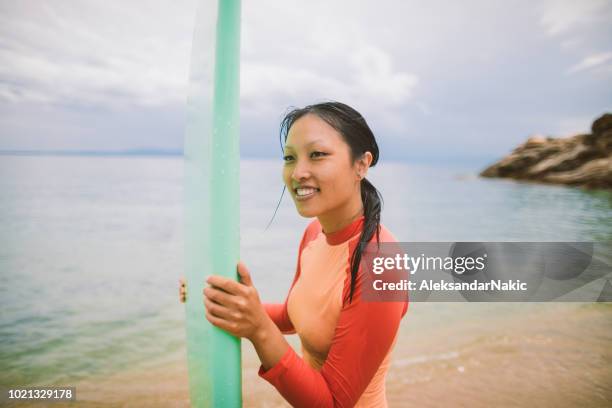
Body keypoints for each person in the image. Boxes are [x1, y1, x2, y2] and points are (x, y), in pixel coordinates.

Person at [179, 101, 408, 407]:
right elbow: (294, 316)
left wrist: (259, 330)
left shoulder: (381, 263)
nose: (298, 172)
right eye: (289, 158)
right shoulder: (315, 233)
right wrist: (230, 300)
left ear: (361, 164)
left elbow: (333, 403)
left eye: (317, 155)